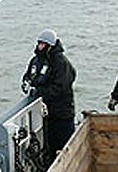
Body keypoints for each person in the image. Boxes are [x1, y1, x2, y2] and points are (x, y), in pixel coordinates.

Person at [21, 29, 77, 162]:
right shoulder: (36, 61)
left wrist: (38, 92)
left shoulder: (61, 63)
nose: (39, 46)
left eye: (42, 44)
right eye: (39, 43)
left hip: (61, 113)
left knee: (64, 146)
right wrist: (25, 83)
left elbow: (60, 88)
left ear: (50, 46)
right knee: (48, 146)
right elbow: (29, 75)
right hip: (45, 114)